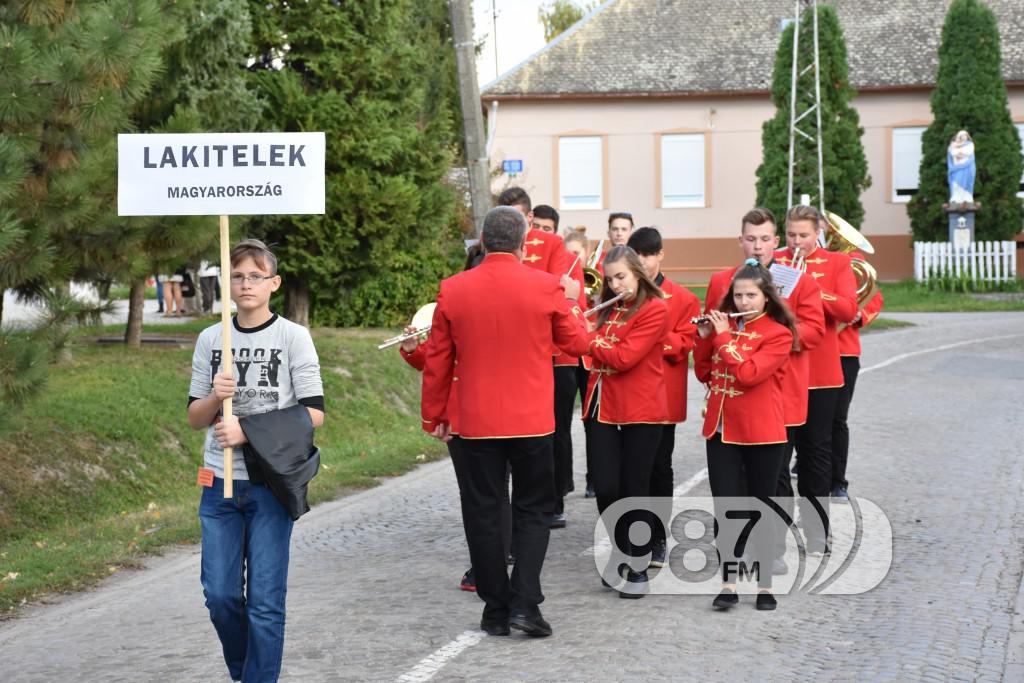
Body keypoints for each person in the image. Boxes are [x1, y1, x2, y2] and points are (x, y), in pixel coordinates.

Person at [421, 206, 589, 638]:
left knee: (482, 511)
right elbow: (578, 342)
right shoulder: (546, 285)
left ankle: (495, 608)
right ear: (523, 241)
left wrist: (436, 415)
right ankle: (526, 603)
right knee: (533, 509)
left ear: (481, 240)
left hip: (475, 420)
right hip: (532, 418)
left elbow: (439, 360)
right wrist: (571, 300)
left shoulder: (453, 289)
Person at [187, 239, 325, 682]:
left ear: (274, 283)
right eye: (238, 275)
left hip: (269, 486)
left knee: (265, 602)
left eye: (256, 275)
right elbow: (194, 418)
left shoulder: (292, 337)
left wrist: (247, 429)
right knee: (221, 596)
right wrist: (215, 396)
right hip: (219, 485)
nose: (246, 284)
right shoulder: (211, 338)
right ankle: (247, 673)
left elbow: (314, 413)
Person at [704, 208, 825, 573]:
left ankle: (771, 550)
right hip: (731, 395)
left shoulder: (799, 281)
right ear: (741, 241)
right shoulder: (723, 280)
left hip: (777, 393)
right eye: (750, 239)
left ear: (777, 241)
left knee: (772, 478)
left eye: (765, 239)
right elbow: (713, 344)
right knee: (731, 480)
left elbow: (815, 332)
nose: (758, 247)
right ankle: (734, 551)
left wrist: (766, 337)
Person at [694, 259, 796, 611]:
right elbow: (705, 373)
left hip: (763, 433)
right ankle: (729, 582)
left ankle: (765, 585)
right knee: (727, 509)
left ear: (766, 297)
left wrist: (722, 338)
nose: (743, 302)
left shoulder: (779, 334)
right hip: (722, 430)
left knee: (762, 507)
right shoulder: (727, 328)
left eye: (751, 295)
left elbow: (750, 374)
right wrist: (706, 340)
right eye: (738, 296)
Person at [582, 245, 668, 598]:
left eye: (622, 277)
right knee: (605, 486)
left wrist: (586, 337)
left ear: (638, 273)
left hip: (641, 409)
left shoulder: (655, 309)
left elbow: (624, 357)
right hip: (600, 405)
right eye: (610, 279)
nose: (616, 285)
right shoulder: (607, 309)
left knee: (635, 486)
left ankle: (636, 562)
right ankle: (622, 548)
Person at [498, 188, 585, 530]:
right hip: (512, 351)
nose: (510, 223)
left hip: (555, 353)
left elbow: (562, 288)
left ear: (530, 218)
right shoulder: (493, 246)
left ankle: (555, 498)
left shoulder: (550, 245)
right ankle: (511, 506)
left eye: (516, 216)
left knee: (556, 429)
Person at [773, 206, 857, 554]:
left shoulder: (837, 264)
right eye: (791, 234)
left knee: (817, 453)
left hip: (822, 373)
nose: (796, 242)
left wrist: (810, 289)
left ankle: (818, 530)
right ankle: (775, 531)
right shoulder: (775, 260)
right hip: (783, 371)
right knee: (778, 456)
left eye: (804, 235)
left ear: (818, 232)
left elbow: (849, 311)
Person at [626, 227, 700, 568]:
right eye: (636, 255)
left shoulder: (683, 298)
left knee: (659, 468)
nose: (643, 262)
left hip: (662, 397)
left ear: (660, 255)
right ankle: (629, 533)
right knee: (627, 471)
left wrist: (650, 337)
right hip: (625, 395)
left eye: (648, 255)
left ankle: (656, 537)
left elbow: (686, 343)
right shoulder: (622, 293)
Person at [832, 281, 884, 501]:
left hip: (843, 350)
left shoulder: (849, 260)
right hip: (801, 350)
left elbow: (874, 298)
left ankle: (837, 481)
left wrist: (861, 314)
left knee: (837, 419)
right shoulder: (786, 259)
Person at [947, 130, 976, 204]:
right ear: (959, 137)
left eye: (965, 135)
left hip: (967, 167)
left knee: (967, 183)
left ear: (967, 136)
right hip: (957, 168)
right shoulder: (954, 145)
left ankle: (967, 197)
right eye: (962, 136)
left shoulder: (970, 144)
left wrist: (959, 153)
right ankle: (956, 197)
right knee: (957, 182)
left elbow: (968, 152)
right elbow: (952, 153)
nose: (964, 137)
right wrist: (959, 152)